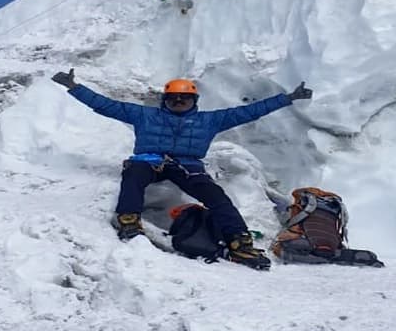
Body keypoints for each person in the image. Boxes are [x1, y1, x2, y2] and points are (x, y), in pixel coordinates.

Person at [50, 69, 312, 269]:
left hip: (188, 166)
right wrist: (74, 87)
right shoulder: (144, 115)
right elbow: (107, 105)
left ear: (194, 100)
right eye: (173, 99)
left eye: (183, 99)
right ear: (165, 100)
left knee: (216, 196)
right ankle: (128, 219)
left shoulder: (209, 120)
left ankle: (239, 242)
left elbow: (250, 111)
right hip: (149, 161)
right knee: (133, 174)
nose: (178, 103)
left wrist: (288, 98)